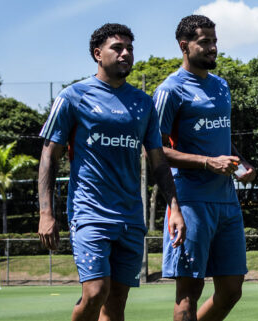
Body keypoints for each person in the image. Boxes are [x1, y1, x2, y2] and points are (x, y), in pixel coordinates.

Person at [37, 23, 186, 321]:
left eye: (129, 48)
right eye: (117, 48)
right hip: (90, 213)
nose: (126, 54)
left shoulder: (144, 103)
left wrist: (174, 208)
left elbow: (158, 162)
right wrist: (46, 213)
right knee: (95, 293)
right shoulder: (72, 96)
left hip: (130, 216)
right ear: (97, 54)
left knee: (116, 304)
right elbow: (48, 157)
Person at [153, 15, 256, 321]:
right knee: (188, 293)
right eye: (205, 42)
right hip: (190, 202)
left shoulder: (221, 86)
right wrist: (207, 162)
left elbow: (222, 139)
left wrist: (241, 164)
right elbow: (155, 151)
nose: (213, 48)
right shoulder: (169, 90)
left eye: (215, 41)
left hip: (227, 201)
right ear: (184, 46)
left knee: (232, 289)